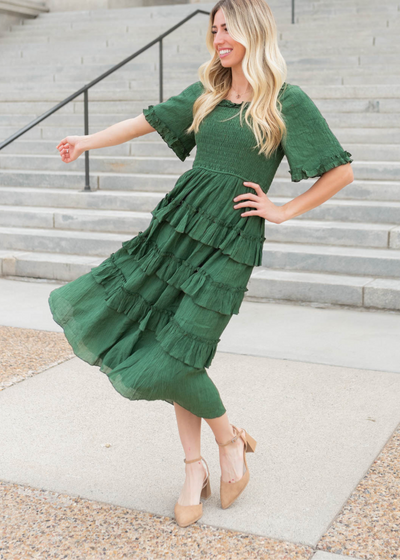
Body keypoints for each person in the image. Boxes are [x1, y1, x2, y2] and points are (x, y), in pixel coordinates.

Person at [50, 0, 354, 529]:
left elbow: (340, 172)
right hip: (177, 229)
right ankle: (202, 465)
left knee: (180, 352)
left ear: (254, 33)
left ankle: (225, 444)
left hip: (230, 241)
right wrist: (85, 141)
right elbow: (143, 122)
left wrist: (282, 210)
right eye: (214, 29)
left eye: (227, 28)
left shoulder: (286, 100)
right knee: (168, 343)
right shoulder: (209, 93)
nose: (218, 38)